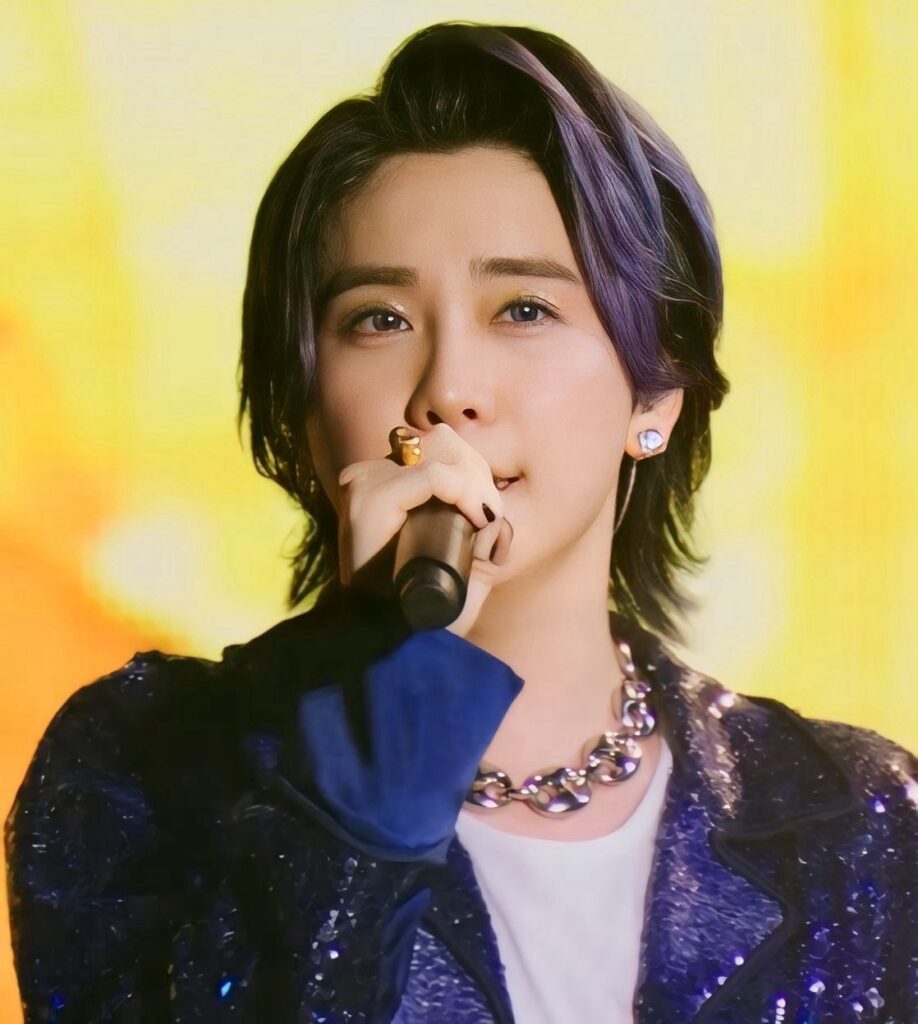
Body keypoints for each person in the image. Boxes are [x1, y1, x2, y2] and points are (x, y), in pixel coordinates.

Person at [5, 19, 917, 1024]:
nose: (447, 389)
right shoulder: (143, 766)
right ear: (303, 410)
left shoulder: (855, 817)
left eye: (523, 309)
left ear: (655, 392)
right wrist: (378, 747)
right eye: (379, 319)